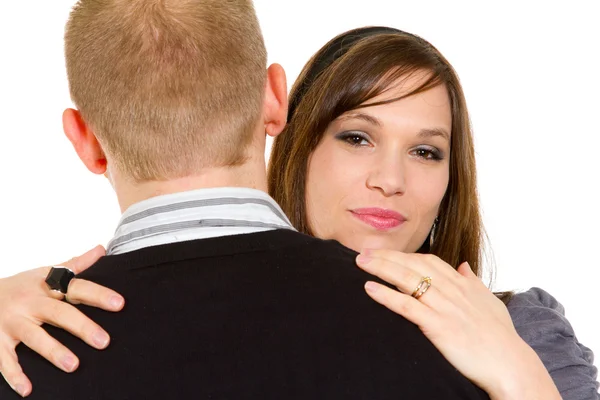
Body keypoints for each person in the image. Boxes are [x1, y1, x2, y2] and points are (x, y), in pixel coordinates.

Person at [0, 16, 596, 400]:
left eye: (425, 151)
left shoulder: (517, 331)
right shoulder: (46, 320)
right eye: (356, 137)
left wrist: (520, 375)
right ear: (285, 120)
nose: (390, 180)